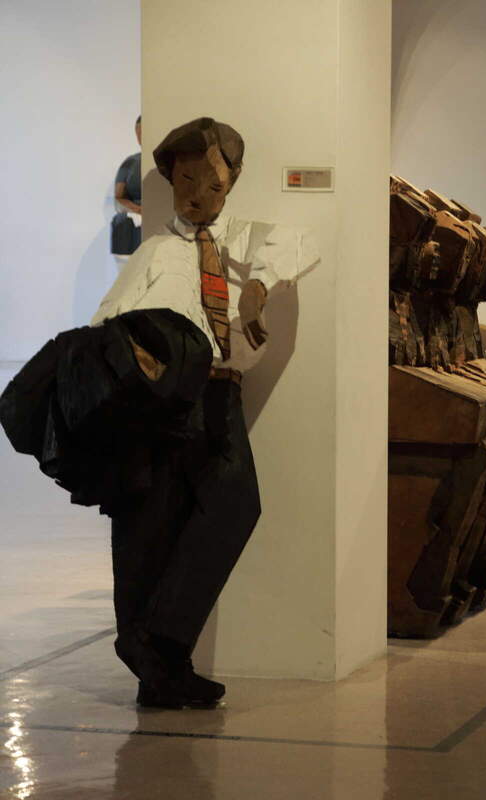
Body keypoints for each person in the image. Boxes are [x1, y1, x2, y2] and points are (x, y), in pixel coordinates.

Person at [0, 117, 319, 710]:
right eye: (186, 182)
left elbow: (301, 242)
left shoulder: (249, 241)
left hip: (220, 394)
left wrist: (259, 287)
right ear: (170, 180)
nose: (198, 196)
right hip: (162, 403)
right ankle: (161, 669)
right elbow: (105, 325)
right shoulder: (154, 251)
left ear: (234, 182)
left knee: (233, 504)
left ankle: (156, 642)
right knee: (149, 523)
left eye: (214, 184)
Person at [111, 115, 142, 267]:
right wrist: (138, 209)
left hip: (163, 216)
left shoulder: (169, 161)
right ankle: (126, 272)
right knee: (122, 223)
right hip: (137, 215)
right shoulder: (130, 163)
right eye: (138, 133)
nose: (141, 137)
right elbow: (119, 198)